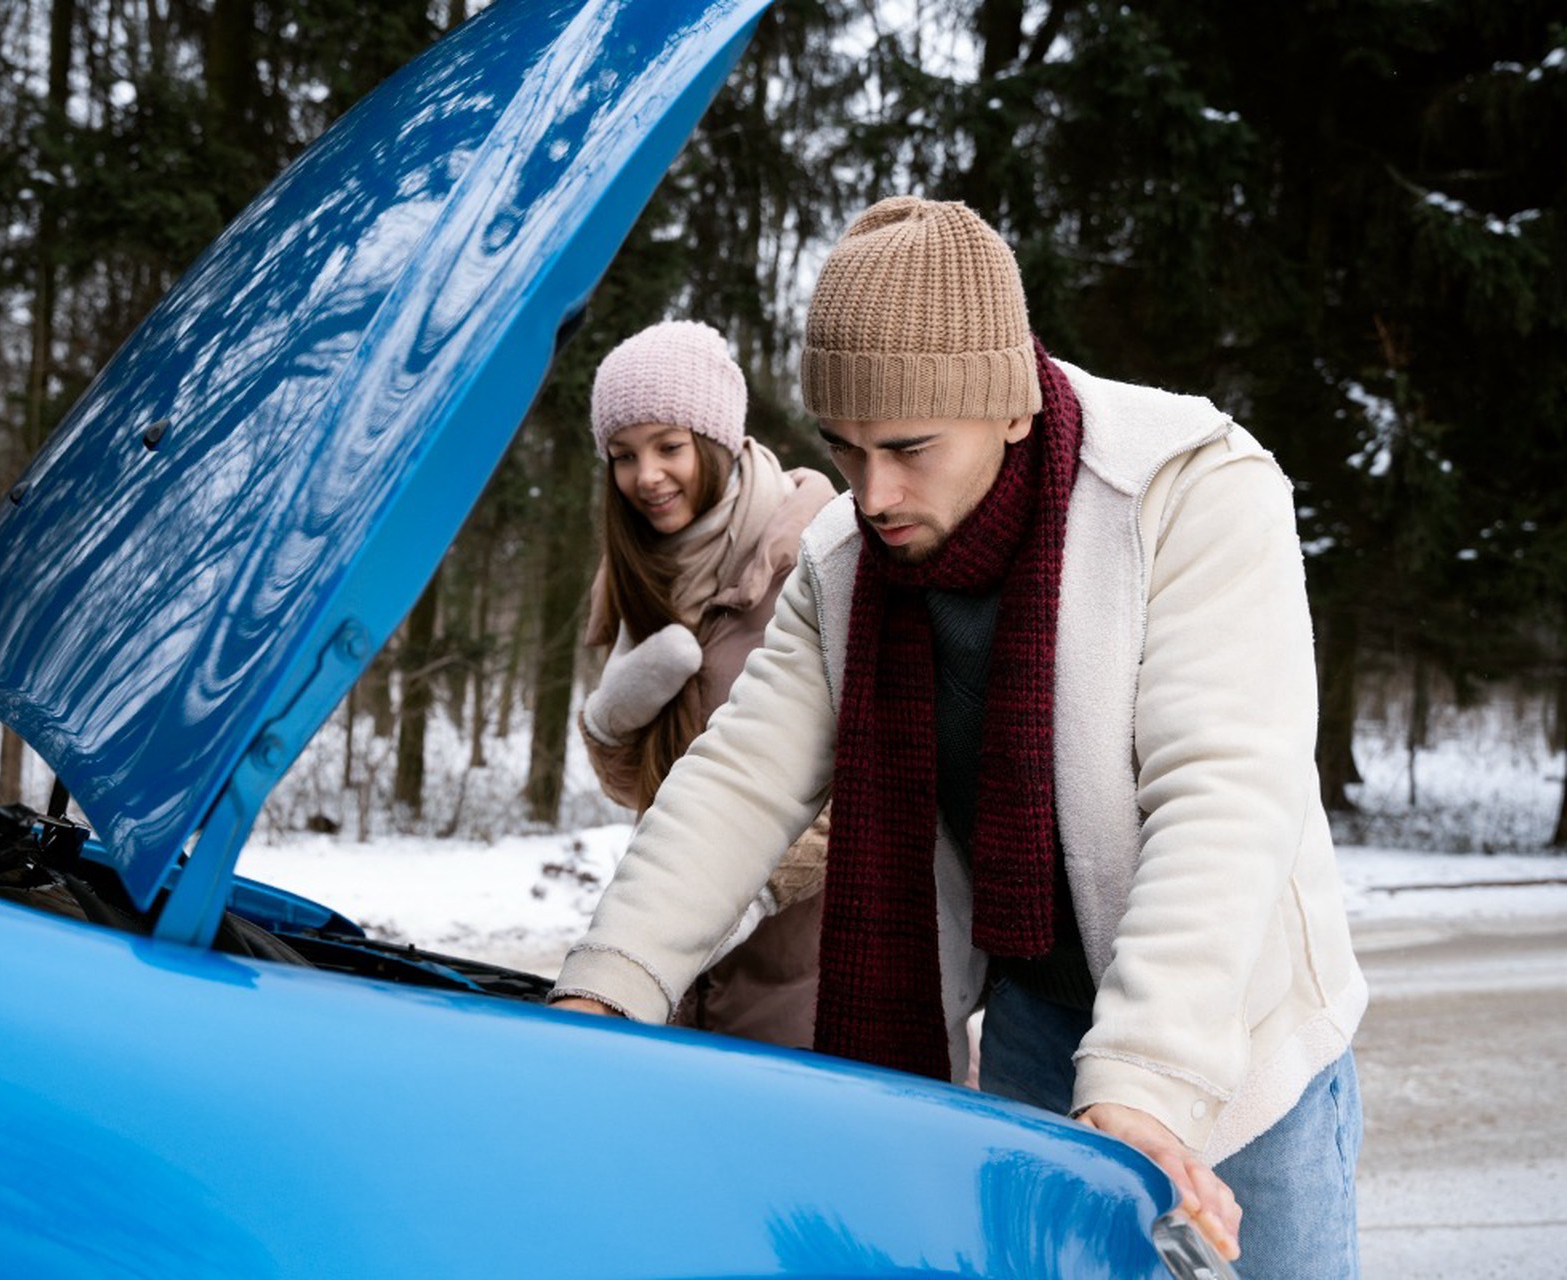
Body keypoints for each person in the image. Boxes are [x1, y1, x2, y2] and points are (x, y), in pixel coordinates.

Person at [550, 200, 1365, 1278]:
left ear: (1009, 408)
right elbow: (737, 782)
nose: (872, 493)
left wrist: (1146, 1079)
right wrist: (607, 985)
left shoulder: (1191, 491)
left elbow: (1222, 794)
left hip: (1236, 1035)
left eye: (908, 448)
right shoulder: (845, 561)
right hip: (1037, 1022)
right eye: (844, 448)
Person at [577, 319, 836, 1048]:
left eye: (669, 446)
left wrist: (730, 895)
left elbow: (851, 787)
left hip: (791, 969)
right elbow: (639, 791)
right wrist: (609, 726)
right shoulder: (635, 577)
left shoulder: (809, 567)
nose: (645, 477)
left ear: (716, 441)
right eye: (623, 456)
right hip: (676, 964)